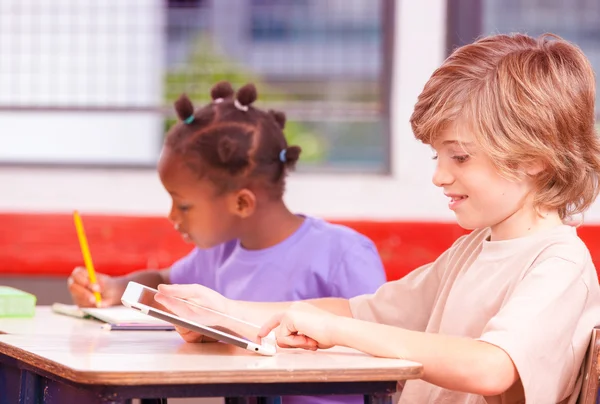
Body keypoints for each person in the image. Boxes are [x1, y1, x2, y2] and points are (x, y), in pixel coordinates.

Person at [156, 34, 600, 403]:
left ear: (534, 160)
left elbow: (492, 366)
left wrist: (337, 330)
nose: (439, 176)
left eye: (460, 157)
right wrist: (231, 314)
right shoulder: (476, 248)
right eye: (437, 155)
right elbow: (363, 311)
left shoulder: (558, 264)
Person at [68, 81, 386, 404]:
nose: (171, 216)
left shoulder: (343, 255)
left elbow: (383, 342)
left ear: (242, 204)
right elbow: (164, 281)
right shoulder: (221, 252)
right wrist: (115, 287)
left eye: (184, 205)